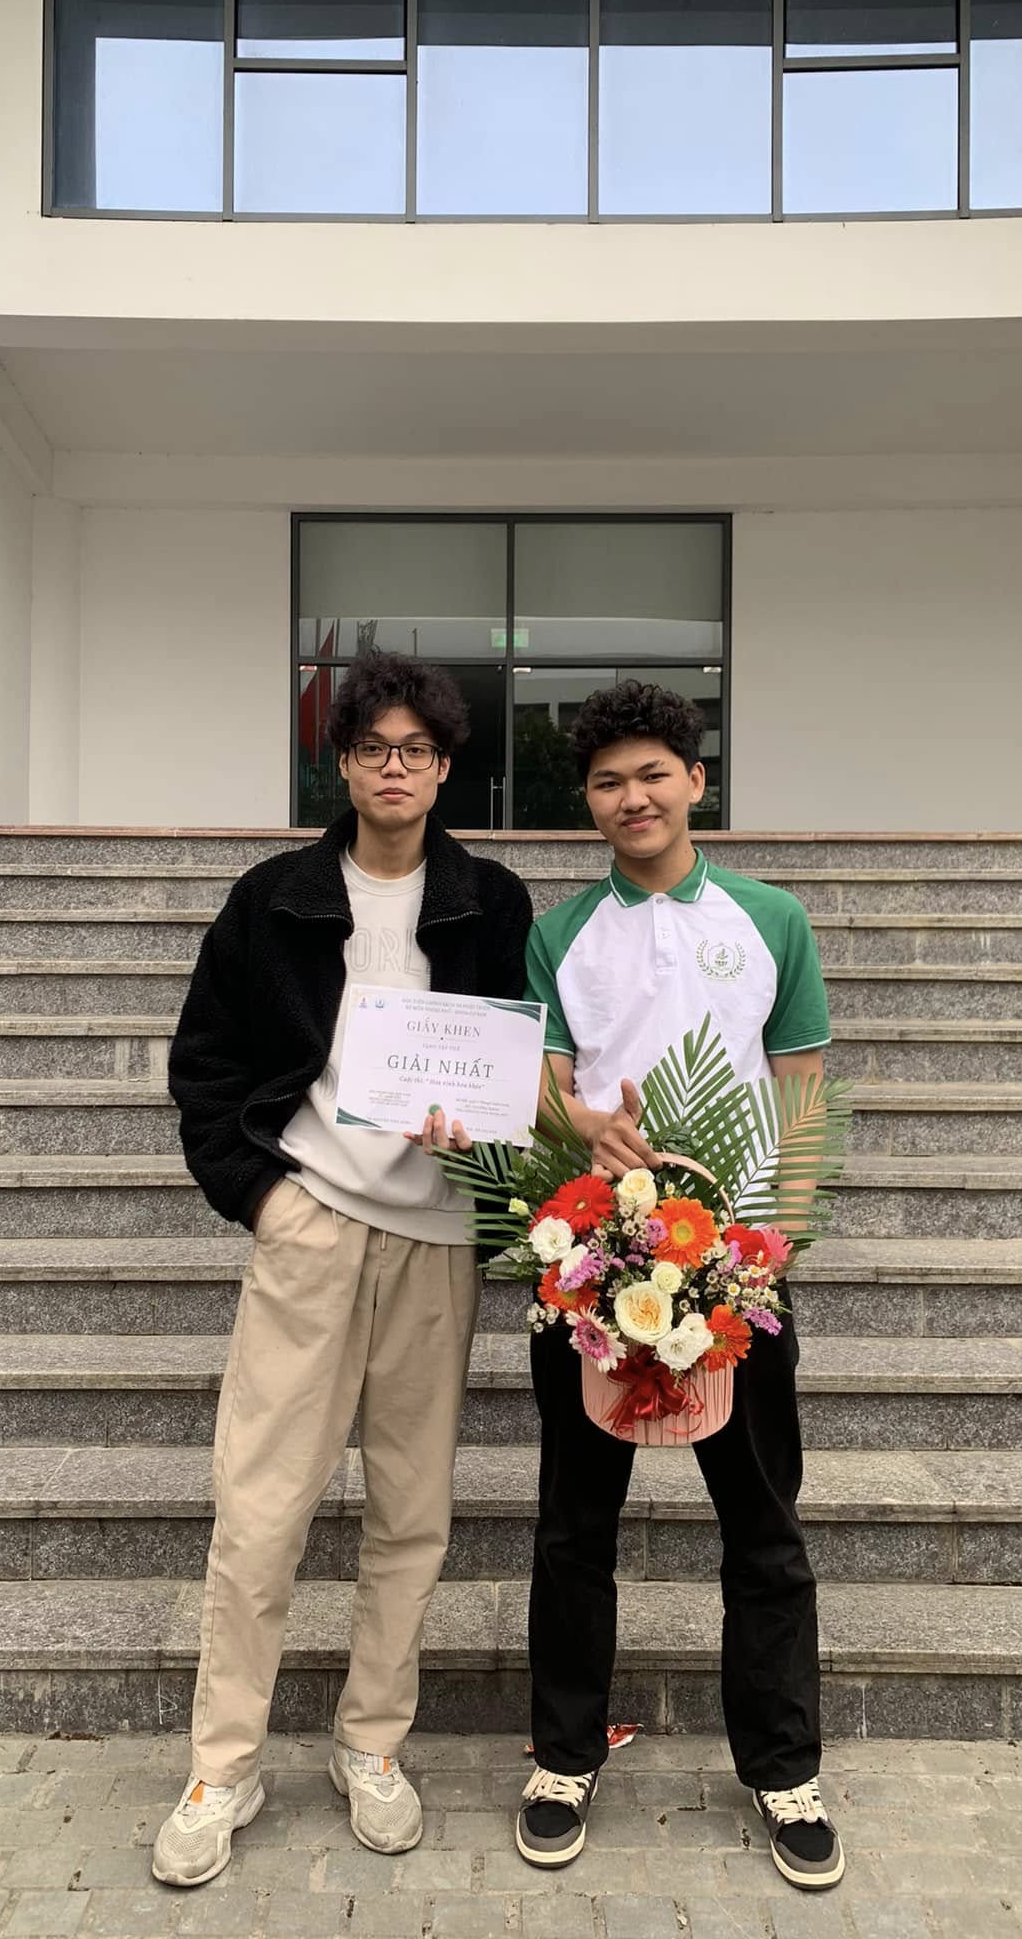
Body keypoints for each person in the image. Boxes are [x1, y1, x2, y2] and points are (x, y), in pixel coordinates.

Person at [152, 650, 533, 1889]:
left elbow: (521, 1062)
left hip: (437, 1245)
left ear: (445, 766)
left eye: (417, 749)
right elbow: (205, 1064)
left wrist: (490, 1143)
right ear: (346, 763)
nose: (395, 767)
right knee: (261, 1508)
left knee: (411, 1515)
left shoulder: (491, 899)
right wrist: (265, 1197)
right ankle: (223, 1764)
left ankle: (371, 1744)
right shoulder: (276, 897)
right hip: (311, 1225)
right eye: (374, 747)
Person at [514, 678, 843, 1892]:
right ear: (588, 802)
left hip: (735, 1272)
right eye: (607, 780)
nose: (632, 796)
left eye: (653, 773)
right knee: (573, 1525)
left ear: (697, 781)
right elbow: (545, 1081)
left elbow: (803, 1087)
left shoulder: (771, 918)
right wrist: (579, 1124)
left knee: (763, 1528)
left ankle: (784, 1768)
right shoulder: (560, 932)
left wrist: (779, 1241)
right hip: (591, 1267)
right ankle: (562, 1755)